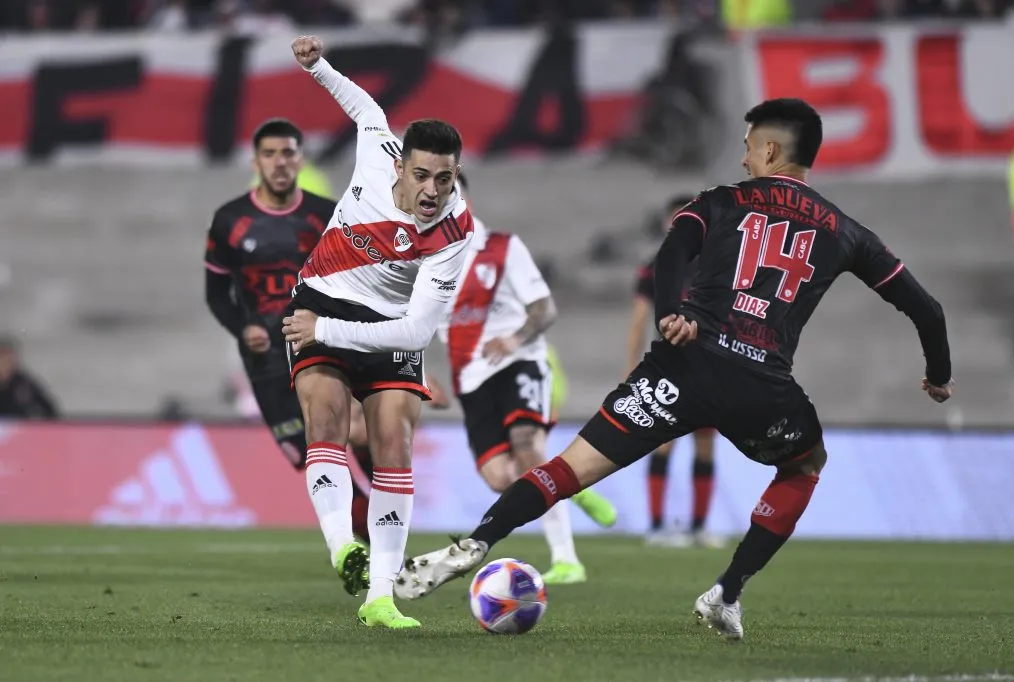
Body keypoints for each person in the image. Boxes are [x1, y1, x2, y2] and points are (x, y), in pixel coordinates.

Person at [394, 98, 953, 642]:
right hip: (761, 386)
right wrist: (938, 374)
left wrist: (669, 315)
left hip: (680, 368)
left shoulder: (720, 200)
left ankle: (477, 542)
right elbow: (927, 308)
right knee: (805, 464)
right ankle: (727, 592)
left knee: (569, 468)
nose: (743, 160)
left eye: (749, 147)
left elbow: (668, 256)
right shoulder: (846, 231)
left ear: (772, 147)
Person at [281, 35, 475, 630]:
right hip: (321, 297)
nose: (431, 192)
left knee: (394, 440)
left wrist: (330, 332)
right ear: (399, 163)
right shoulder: (374, 149)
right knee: (326, 418)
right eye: (421, 175)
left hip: (385, 329)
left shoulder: (455, 232)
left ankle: (381, 597)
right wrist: (319, 67)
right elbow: (366, 109)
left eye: (444, 180)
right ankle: (344, 546)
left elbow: (417, 330)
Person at [431, 174, 618, 585]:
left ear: (467, 200)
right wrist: (422, 376)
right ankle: (571, 484)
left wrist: (514, 338)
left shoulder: (501, 249)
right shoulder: (422, 263)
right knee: (500, 477)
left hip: (521, 362)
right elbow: (409, 328)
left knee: (527, 448)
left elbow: (545, 309)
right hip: (472, 379)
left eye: (453, 194)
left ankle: (567, 559)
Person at [204, 117, 336, 471]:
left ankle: (384, 519)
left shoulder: (326, 213)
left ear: (300, 159)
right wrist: (243, 328)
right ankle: (361, 522)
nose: (279, 162)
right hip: (266, 346)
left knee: (344, 436)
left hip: (319, 340)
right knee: (306, 457)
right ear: (256, 161)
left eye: (287, 154)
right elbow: (218, 292)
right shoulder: (232, 219)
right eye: (269, 154)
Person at [626, 195, 722, 548]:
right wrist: (631, 368)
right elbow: (638, 321)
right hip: (671, 367)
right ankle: (656, 526)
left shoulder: (715, 263)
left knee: (705, 443)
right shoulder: (656, 265)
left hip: (710, 367)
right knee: (665, 442)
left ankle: (697, 527)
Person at [0, 336, 59, 419]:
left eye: (9, 357)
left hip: (19, 428)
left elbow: (49, 410)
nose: (5, 361)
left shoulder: (23, 383)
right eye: (2, 356)